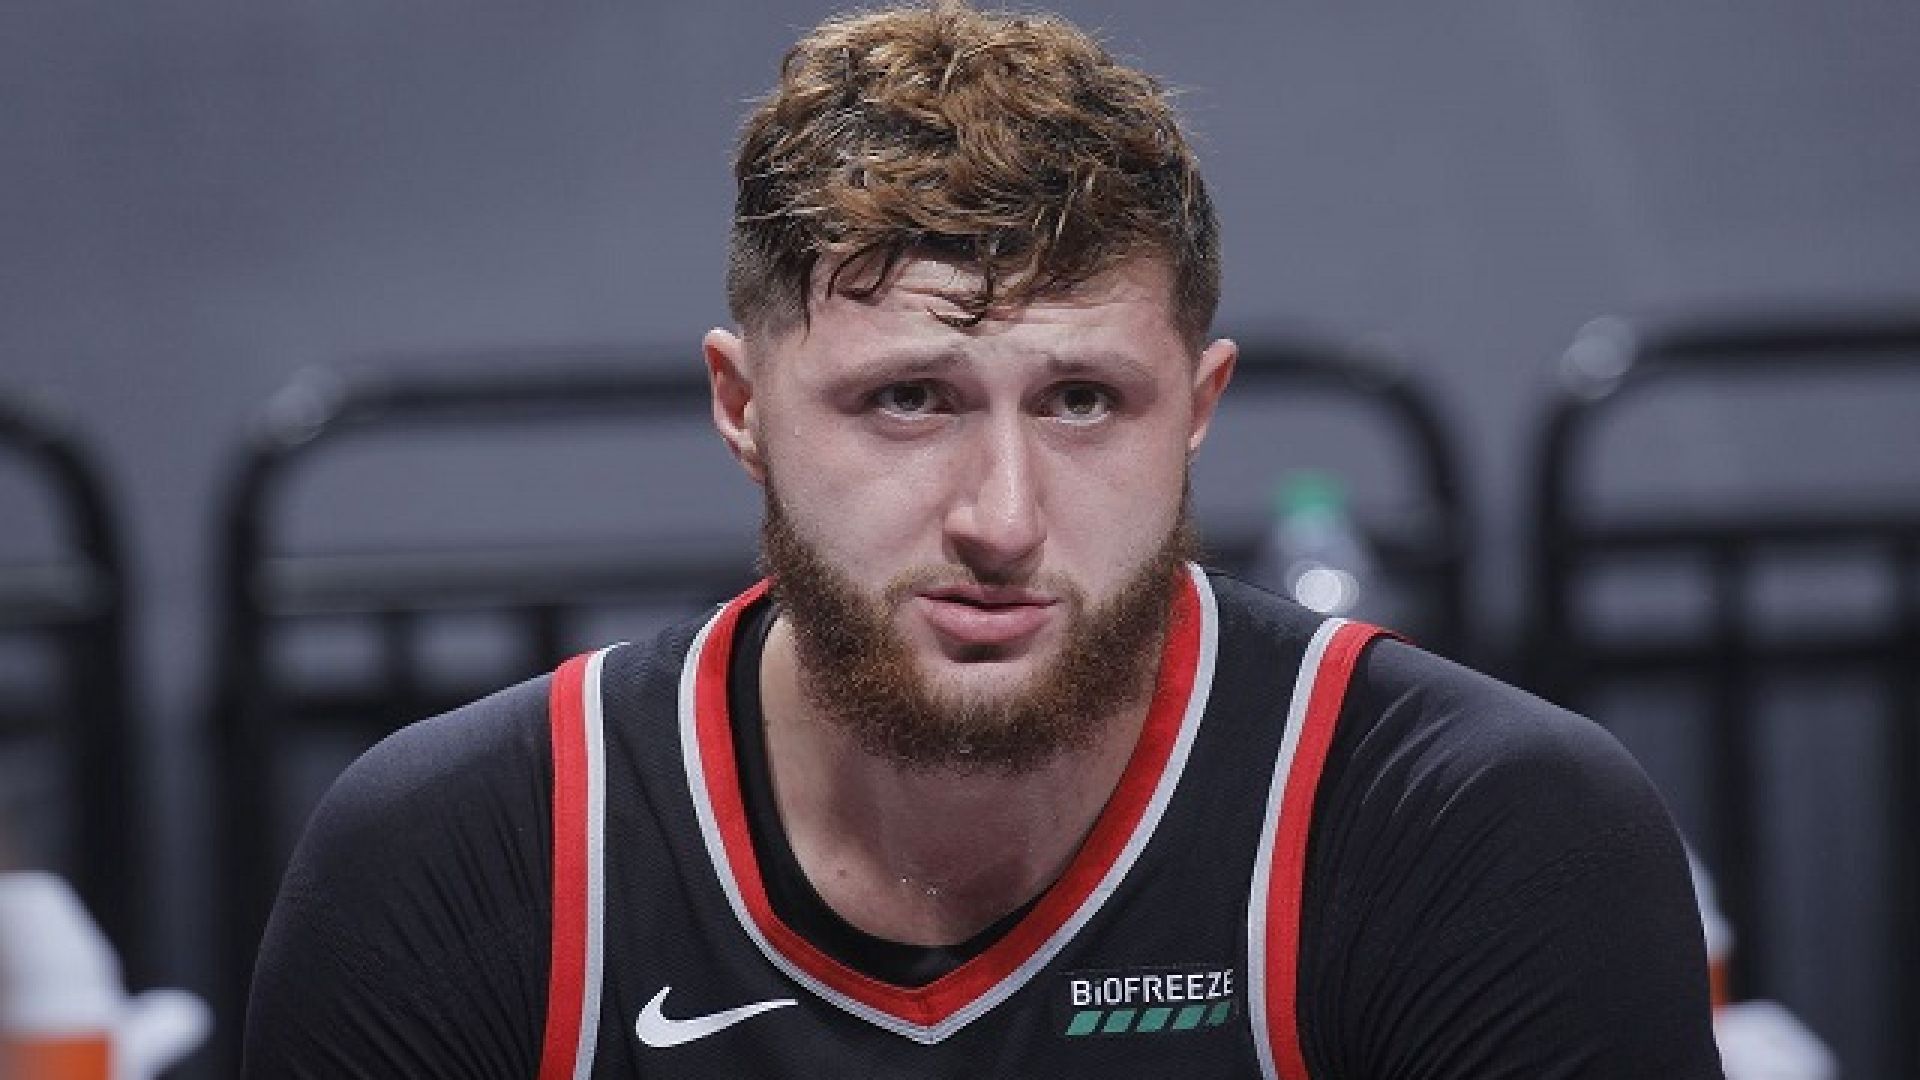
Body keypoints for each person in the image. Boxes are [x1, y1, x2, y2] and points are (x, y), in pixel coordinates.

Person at [243, 3, 1724, 1076]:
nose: (1002, 519)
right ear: (742, 407)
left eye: (1083, 401)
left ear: (1199, 408)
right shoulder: (467, 866)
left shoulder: (1473, 837)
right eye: (908, 400)